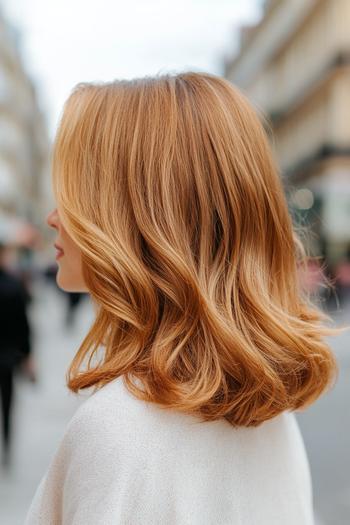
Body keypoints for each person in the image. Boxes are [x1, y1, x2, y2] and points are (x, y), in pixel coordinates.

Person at [25, 72, 345, 524]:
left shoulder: (120, 432)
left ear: (137, 214)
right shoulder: (266, 413)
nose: (54, 216)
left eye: (79, 194)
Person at [0, 243, 33, 466]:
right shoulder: (12, 285)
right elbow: (23, 326)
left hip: (7, 356)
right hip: (7, 357)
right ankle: (7, 445)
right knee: (7, 404)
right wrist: (28, 356)